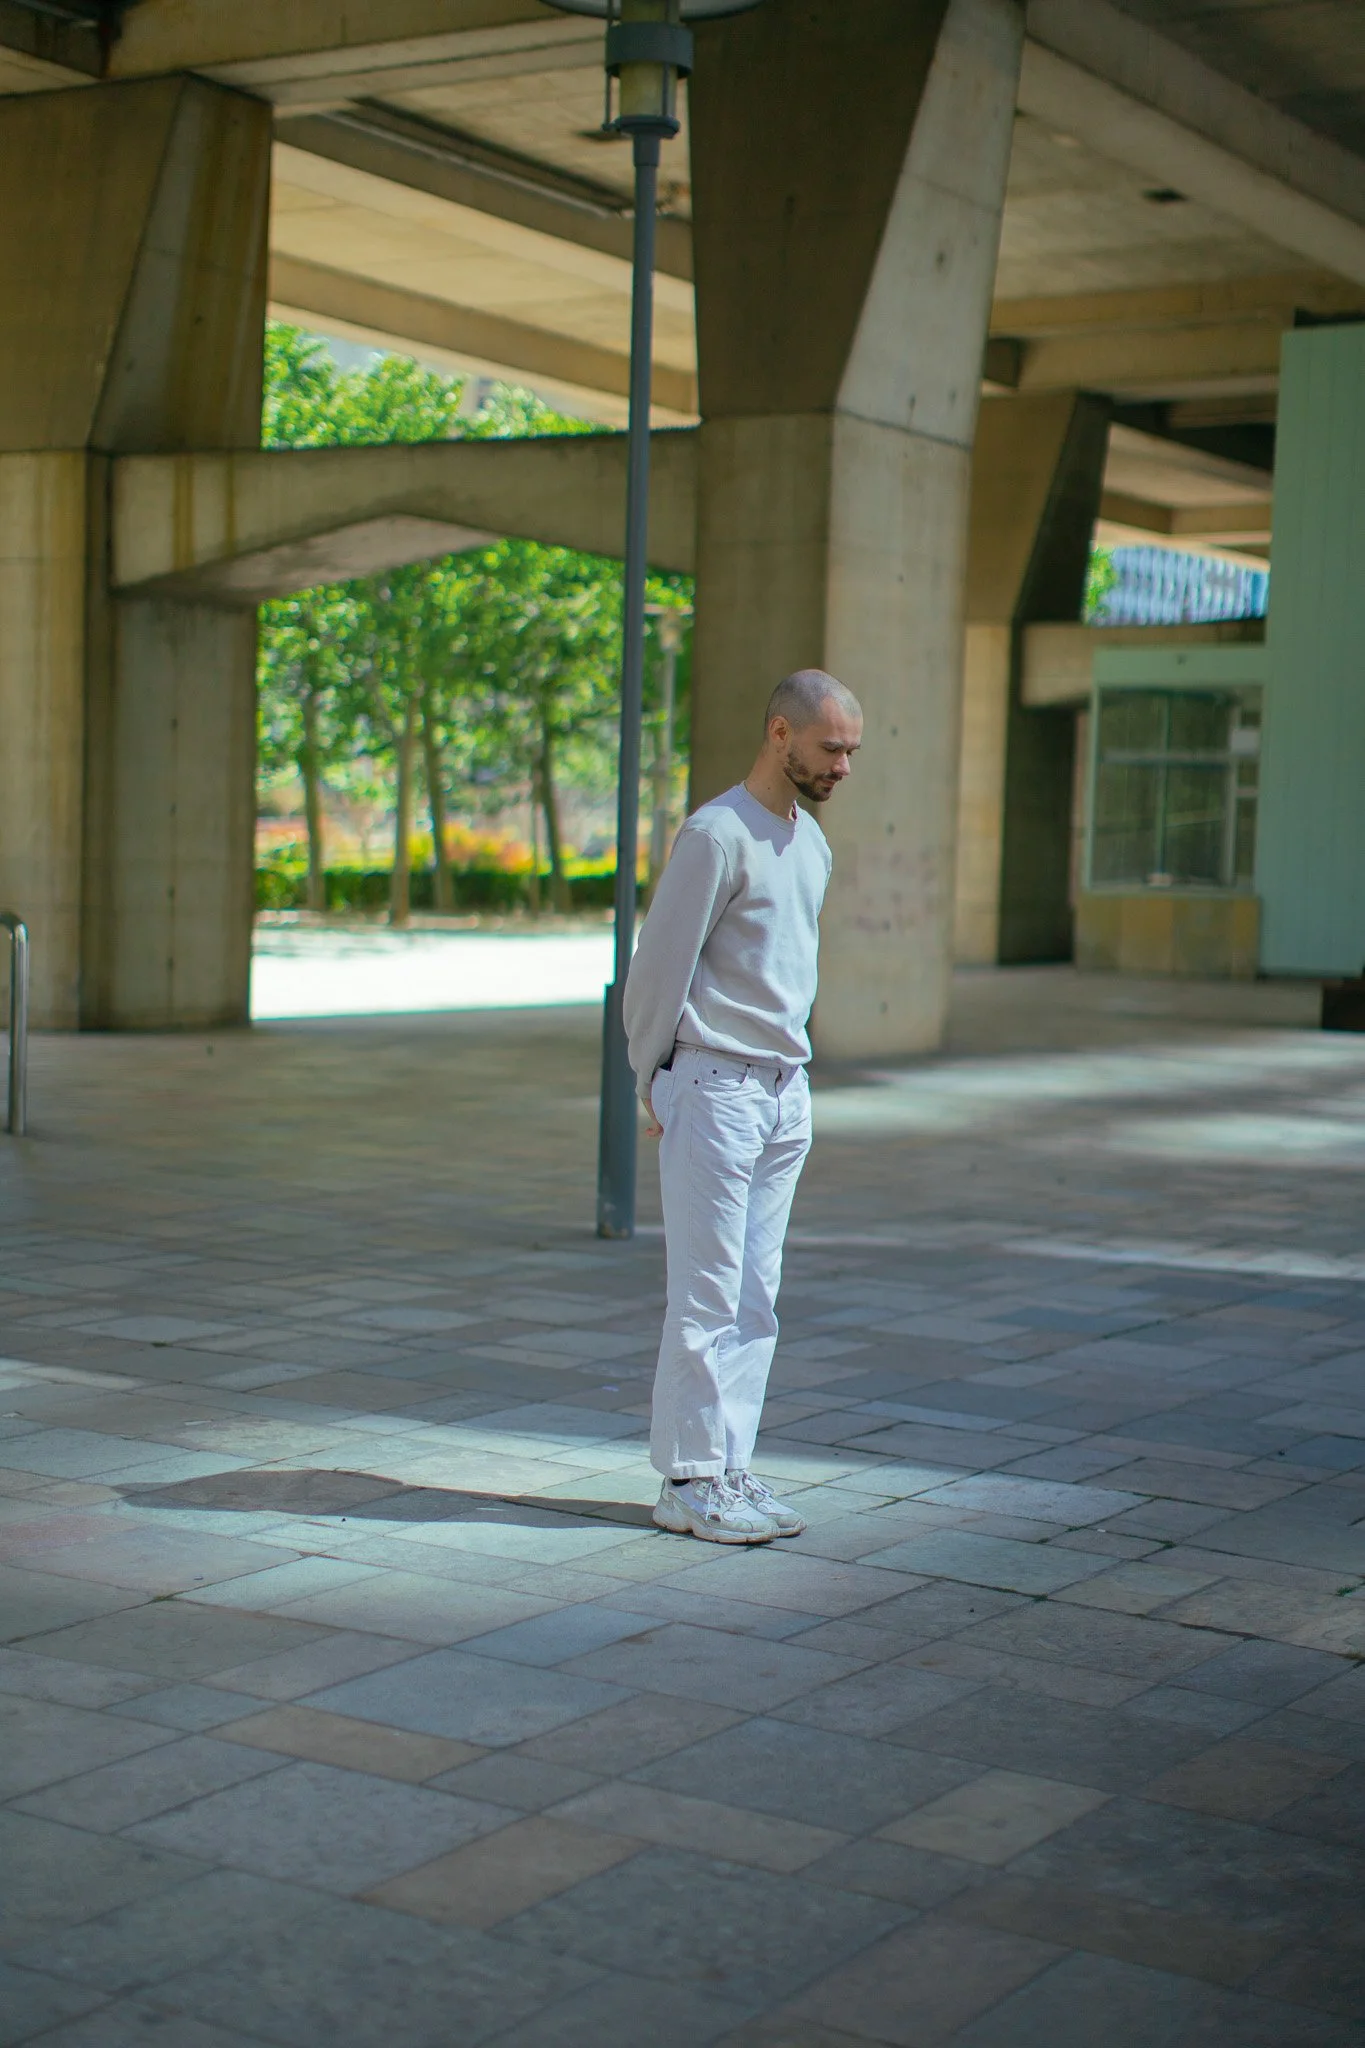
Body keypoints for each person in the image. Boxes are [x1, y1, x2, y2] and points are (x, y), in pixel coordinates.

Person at [624, 667, 863, 1544]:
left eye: (851, 752)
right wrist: (650, 1076)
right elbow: (658, 968)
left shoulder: (813, 844)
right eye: (829, 748)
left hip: (781, 1091)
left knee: (756, 1296)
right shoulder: (716, 834)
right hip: (714, 1083)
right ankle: (685, 1480)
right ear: (779, 735)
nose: (841, 766)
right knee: (706, 1291)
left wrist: (796, 1083)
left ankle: (729, 1466)